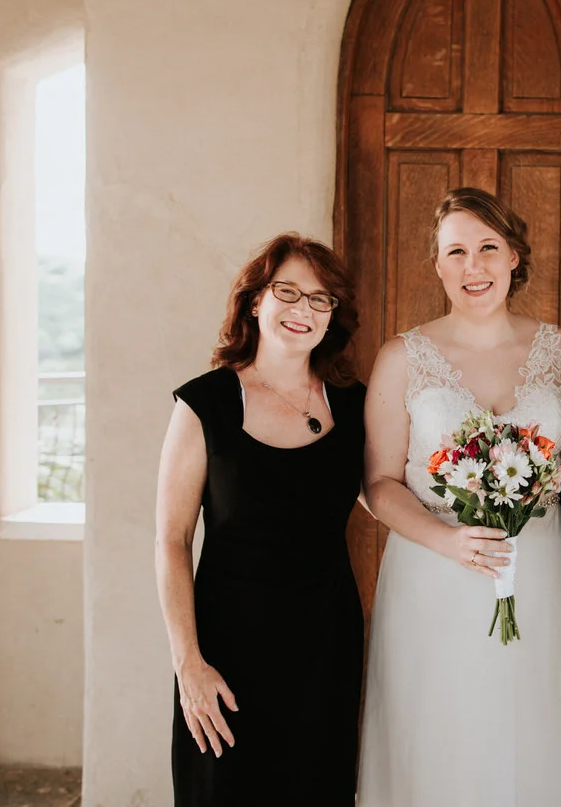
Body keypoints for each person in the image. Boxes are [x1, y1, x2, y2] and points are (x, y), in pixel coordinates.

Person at [357, 189, 561, 806]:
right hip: (433, 573)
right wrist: (449, 540)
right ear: (437, 264)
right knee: (440, 734)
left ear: (514, 255)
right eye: (455, 251)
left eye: (488, 247)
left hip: (536, 570)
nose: (473, 266)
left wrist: (532, 491)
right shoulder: (403, 357)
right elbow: (378, 483)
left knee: (530, 730)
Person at [155, 233, 366, 806]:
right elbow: (172, 539)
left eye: (320, 299)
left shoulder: (353, 404)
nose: (304, 309)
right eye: (287, 291)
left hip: (325, 648)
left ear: (333, 314)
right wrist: (188, 664)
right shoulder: (205, 403)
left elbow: (385, 494)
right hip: (226, 651)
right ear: (255, 301)